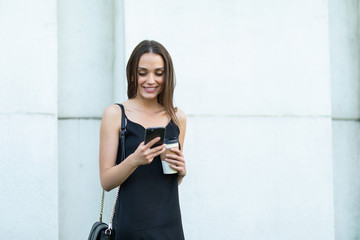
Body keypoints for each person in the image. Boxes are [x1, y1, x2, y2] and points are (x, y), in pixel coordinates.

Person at [99, 40, 187, 239]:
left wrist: (180, 172)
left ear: (167, 75)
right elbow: (106, 181)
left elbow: (165, 181)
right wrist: (134, 160)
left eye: (158, 73)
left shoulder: (177, 117)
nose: (150, 80)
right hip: (130, 228)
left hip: (170, 228)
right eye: (142, 72)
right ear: (132, 74)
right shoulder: (115, 114)